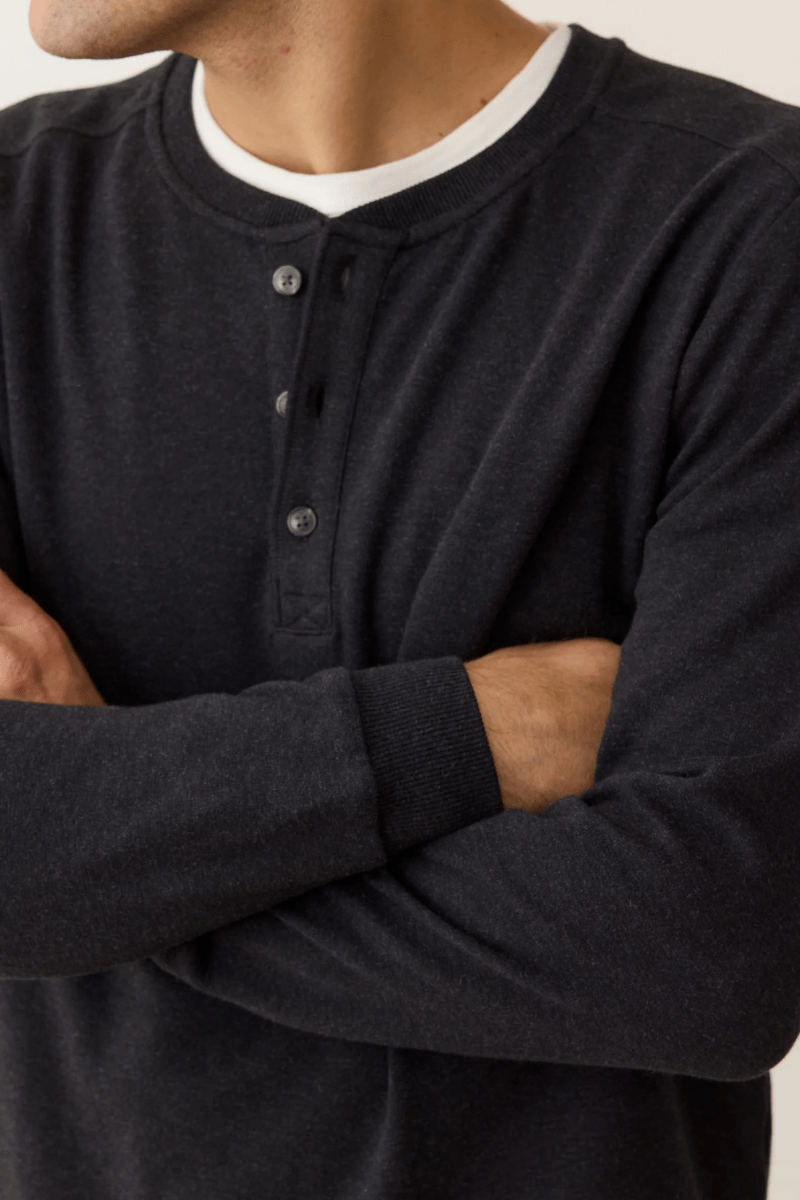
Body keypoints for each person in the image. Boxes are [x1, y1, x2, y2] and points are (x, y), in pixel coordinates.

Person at [0, 0, 797, 1195]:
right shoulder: (16, 217)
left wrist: (93, 867)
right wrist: (452, 737)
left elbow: (707, 961)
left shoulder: (749, 227)